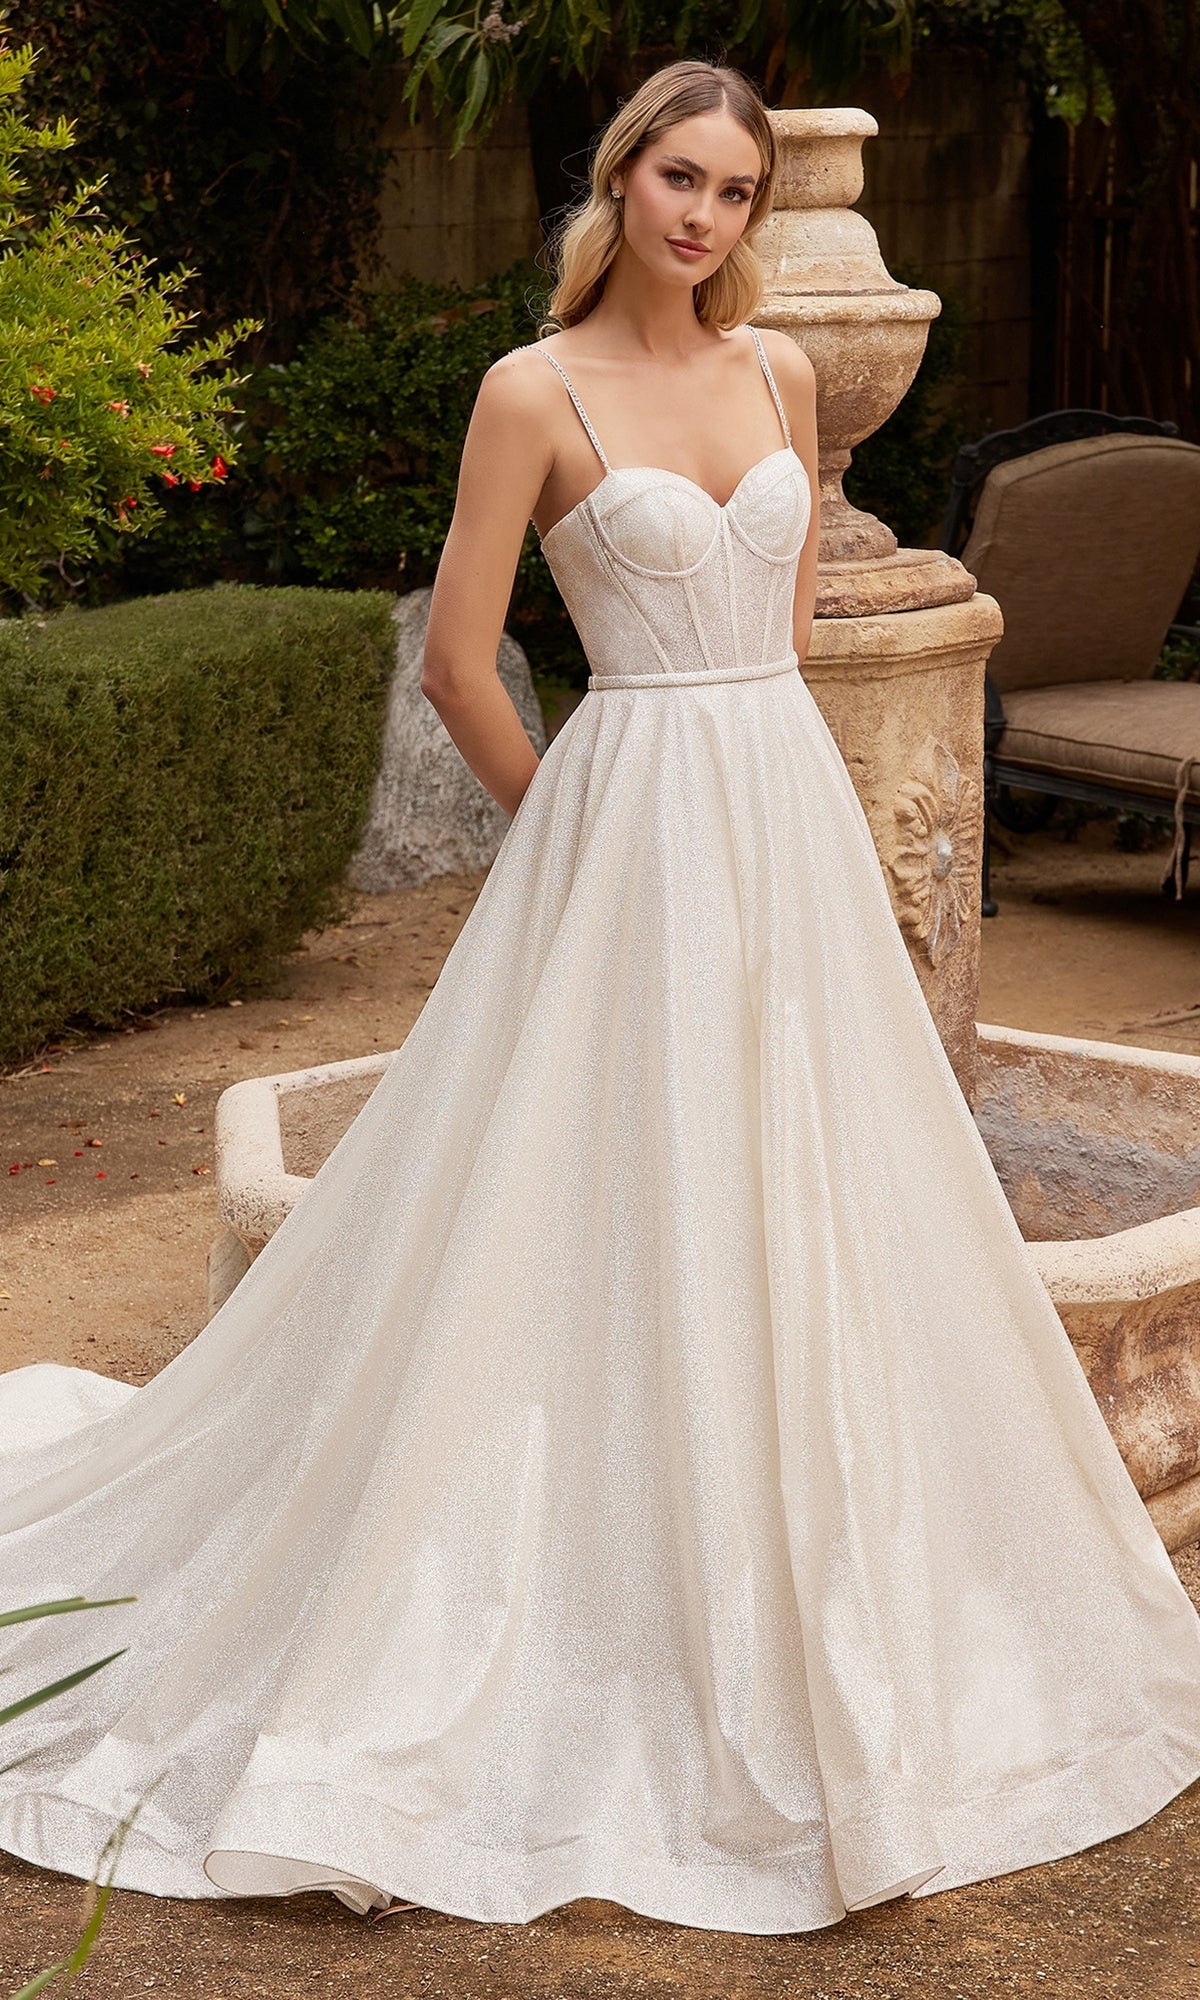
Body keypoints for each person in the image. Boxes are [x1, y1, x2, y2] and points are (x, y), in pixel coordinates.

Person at [1, 57, 1199, 1940]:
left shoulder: (783, 373)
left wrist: (745, 764)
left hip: (781, 808)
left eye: (735, 190)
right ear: (623, 179)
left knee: (805, 1180)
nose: (705, 216)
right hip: (626, 805)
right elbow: (461, 659)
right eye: (680, 178)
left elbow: (782, 634)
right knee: (595, 1188)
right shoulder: (530, 391)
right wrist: (575, 816)